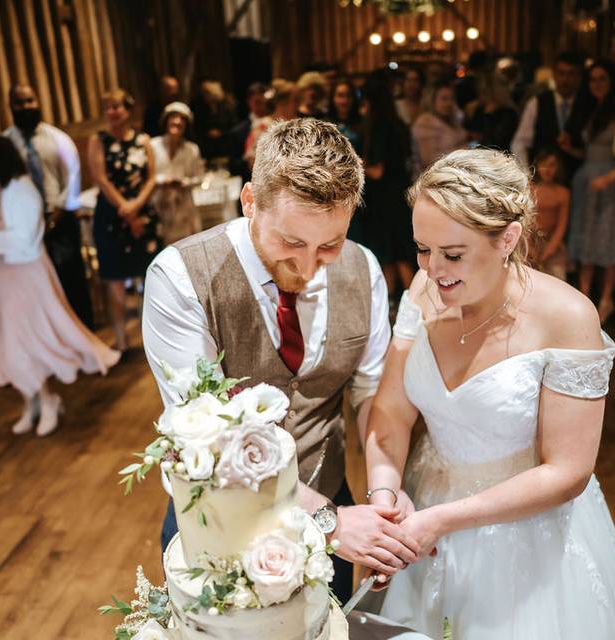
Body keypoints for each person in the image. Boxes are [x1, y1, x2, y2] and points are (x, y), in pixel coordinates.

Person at [363, 148, 615, 639]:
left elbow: (568, 470)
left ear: (509, 239)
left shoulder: (566, 317)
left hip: (526, 538)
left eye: (453, 254)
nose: (434, 271)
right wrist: (384, 494)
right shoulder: (421, 291)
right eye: (422, 249)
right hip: (425, 521)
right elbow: (391, 411)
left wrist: (442, 521)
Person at [141, 118, 420, 602]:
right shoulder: (180, 276)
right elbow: (207, 438)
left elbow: (375, 397)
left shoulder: (364, 269)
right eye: (291, 243)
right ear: (250, 201)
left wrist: (383, 497)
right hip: (219, 520)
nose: (309, 268)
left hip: (333, 502)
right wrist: (328, 522)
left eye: (329, 244)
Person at [0, 124, 119, 436]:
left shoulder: (21, 188)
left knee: (28, 340)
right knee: (5, 342)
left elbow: (24, 241)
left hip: (23, 276)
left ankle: (46, 399)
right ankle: (32, 401)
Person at [5, 83, 94, 329]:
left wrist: (54, 216)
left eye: (29, 101)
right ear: (10, 106)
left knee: (70, 278)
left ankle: (82, 330)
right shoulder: (5, 144)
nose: (25, 107)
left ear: (38, 101)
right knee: (38, 283)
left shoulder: (58, 139)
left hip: (60, 218)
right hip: (25, 225)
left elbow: (73, 179)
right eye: (19, 103)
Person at [563, 60, 615, 323]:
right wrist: (569, 149)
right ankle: (586, 296)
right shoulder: (589, 110)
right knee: (587, 236)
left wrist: (611, 177)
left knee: (611, 236)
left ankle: (607, 298)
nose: (597, 84)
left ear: (612, 83)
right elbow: (587, 151)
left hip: (613, 179)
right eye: (593, 79)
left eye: (602, 79)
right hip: (587, 177)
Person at [88, 88, 160, 352]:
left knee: (149, 276)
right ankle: (120, 338)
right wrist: (124, 207)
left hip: (142, 212)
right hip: (111, 215)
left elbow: (152, 177)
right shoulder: (99, 140)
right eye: (107, 107)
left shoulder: (144, 140)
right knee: (114, 279)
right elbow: (101, 178)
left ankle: (149, 338)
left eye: (116, 106)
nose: (112, 112)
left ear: (128, 110)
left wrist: (136, 206)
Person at [359, 75, 415, 297]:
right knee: (398, 253)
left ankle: (404, 308)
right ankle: (409, 309)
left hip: (385, 200)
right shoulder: (398, 124)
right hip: (400, 194)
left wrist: (356, 162)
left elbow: (377, 171)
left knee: (392, 254)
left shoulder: (379, 127)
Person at [511, 51, 592, 179]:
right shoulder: (537, 103)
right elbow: (520, 143)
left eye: (571, 74)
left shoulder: (588, 105)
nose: (566, 80)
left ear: (579, 77)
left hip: (578, 177)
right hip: (543, 178)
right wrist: (526, 175)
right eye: (561, 73)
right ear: (554, 74)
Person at [151, 102, 205, 244]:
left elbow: (199, 177)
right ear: (166, 121)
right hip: (158, 205)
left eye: (182, 119)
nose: (177, 121)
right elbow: (146, 175)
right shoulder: (153, 145)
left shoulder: (192, 149)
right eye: (173, 117)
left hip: (183, 208)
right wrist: (161, 180)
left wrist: (184, 182)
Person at [527, 149, 570, 280]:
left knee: (558, 278)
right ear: (537, 166)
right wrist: (529, 245)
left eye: (552, 165)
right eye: (543, 164)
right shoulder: (528, 188)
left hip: (552, 243)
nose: (547, 169)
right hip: (527, 241)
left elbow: (561, 226)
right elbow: (522, 219)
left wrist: (549, 250)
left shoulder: (562, 193)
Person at [411, 80, 468, 175]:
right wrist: (462, 152)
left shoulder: (452, 119)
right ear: (432, 100)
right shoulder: (425, 123)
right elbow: (429, 160)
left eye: (451, 99)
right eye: (444, 99)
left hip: (452, 175)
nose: (449, 103)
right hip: (435, 180)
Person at [464, 74, 519, 152]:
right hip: (479, 155)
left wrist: (489, 116)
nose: (482, 93)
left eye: (486, 90)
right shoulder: (479, 109)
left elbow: (495, 143)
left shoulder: (509, 113)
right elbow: (473, 137)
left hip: (501, 156)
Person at [327, 78, 363, 151]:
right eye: (340, 95)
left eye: (349, 96)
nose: (345, 100)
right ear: (332, 98)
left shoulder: (363, 123)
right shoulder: (325, 124)